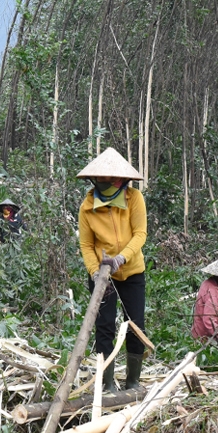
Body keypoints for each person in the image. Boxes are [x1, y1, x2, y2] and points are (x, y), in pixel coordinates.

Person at [77, 147, 147, 391]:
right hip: (101, 275)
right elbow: (86, 245)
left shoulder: (134, 198)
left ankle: (133, 381)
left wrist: (121, 258)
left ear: (123, 180)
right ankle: (107, 384)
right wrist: (95, 273)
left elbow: (140, 234)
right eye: (104, 179)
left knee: (135, 324)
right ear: (95, 179)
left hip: (132, 271)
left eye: (114, 179)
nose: (109, 183)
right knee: (104, 326)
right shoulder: (87, 207)